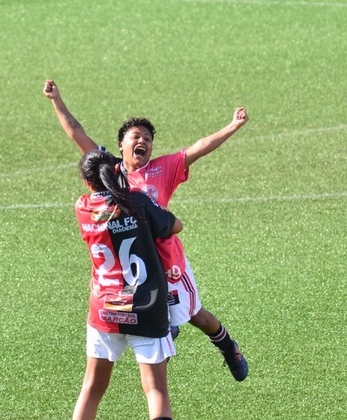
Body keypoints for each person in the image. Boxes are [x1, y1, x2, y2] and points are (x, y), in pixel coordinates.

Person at [43, 80, 249, 381]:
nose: (144, 141)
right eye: (136, 136)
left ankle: (228, 346)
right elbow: (77, 133)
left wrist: (232, 126)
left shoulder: (163, 169)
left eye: (148, 138)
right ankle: (165, 326)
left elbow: (198, 148)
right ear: (121, 146)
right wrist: (56, 100)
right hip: (134, 266)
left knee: (195, 316)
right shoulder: (110, 171)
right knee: (149, 315)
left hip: (167, 261)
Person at [50, 150, 185, 420]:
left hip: (105, 309)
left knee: (92, 388)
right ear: (117, 172)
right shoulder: (137, 202)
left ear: (86, 181)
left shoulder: (83, 207)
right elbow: (175, 225)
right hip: (147, 307)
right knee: (155, 388)